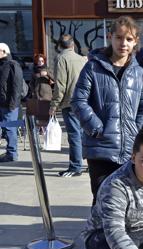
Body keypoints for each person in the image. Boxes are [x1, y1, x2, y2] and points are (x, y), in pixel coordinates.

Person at [72, 16, 143, 206]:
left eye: (129, 39)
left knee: (127, 202)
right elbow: (78, 100)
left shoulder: (139, 73)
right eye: (119, 37)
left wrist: (137, 130)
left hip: (130, 149)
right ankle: (97, 236)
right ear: (110, 37)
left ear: (136, 41)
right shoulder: (93, 67)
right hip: (101, 149)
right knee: (101, 201)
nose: (123, 43)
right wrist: (96, 128)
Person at [50, 34, 87, 177]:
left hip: (69, 102)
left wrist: (54, 105)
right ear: (72, 45)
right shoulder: (81, 59)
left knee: (74, 135)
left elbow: (60, 85)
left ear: (60, 46)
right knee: (84, 134)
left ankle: (76, 166)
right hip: (84, 101)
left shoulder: (61, 58)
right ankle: (88, 163)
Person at [0, 43, 24, 163]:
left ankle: (12, 153)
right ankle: (9, 152)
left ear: (4, 52)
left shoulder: (13, 65)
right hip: (2, 103)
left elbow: (17, 85)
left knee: (10, 129)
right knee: (6, 129)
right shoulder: (2, 65)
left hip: (9, 104)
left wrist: (13, 104)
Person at [27, 53, 54, 127]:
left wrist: (47, 74)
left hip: (46, 94)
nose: (40, 62)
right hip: (37, 94)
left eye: (42, 61)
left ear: (44, 61)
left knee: (46, 111)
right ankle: (41, 128)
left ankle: (48, 126)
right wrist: (33, 91)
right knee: (38, 112)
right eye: (39, 61)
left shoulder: (48, 69)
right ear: (36, 62)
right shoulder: (34, 71)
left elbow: (55, 78)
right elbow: (31, 83)